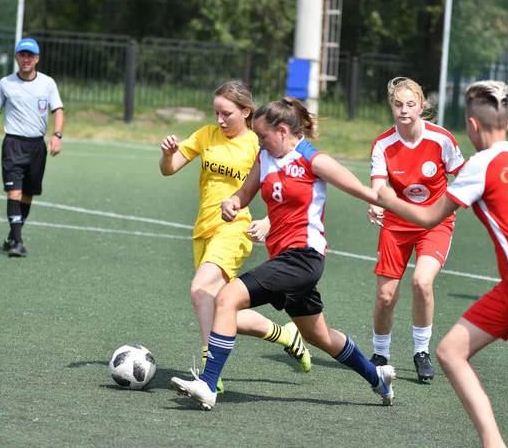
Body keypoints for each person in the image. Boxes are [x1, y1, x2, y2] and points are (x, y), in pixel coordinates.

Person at [170, 97, 396, 410]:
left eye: (262, 136)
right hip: (284, 258)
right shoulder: (265, 156)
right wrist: (232, 203)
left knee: (227, 297)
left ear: (281, 131)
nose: (258, 141)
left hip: (304, 257)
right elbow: (244, 194)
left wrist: (382, 203)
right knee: (318, 335)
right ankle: (377, 377)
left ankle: (208, 384)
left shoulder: (311, 159)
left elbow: (362, 190)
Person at [377, 80, 508, 447]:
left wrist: (379, 195)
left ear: (472, 126)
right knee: (449, 352)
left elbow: (429, 219)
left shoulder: (480, 166)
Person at [159, 82, 312, 395]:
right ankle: (284, 335)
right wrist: (168, 154)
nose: (220, 119)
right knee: (219, 310)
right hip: (203, 230)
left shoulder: (260, 143)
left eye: (226, 113)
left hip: (235, 229)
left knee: (199, 289)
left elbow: (289, 188)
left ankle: (209, 373)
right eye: (216, 112)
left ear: (246, 111)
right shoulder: (205, 135)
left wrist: (270, 221)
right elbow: (169, 169)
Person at [367, 77, 464, 381]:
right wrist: (376, 202)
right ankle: (380, 354)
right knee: (385, 298)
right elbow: (379, 186)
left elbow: (462, 179)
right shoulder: (383, 143)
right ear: (391, 107)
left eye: (411, 104)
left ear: (422, 106)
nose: (404, 110)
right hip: (397, 223)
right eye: (398, 104)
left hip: (434, 222)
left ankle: (421, 352)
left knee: (422, 283)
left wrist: (442, 211)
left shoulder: (442, 139)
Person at [0, 38, 64, 258]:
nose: (26, 59)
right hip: (13, 145)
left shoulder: (47, 83)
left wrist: (57, 135)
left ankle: (12, 236)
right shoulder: (5, 83)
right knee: (14, 191)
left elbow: (58, 110)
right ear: (16, 57)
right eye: (22, 55)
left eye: (30, 55)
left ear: (37, 58)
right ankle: (18, 242)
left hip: (37, 146)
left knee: (27, 194)